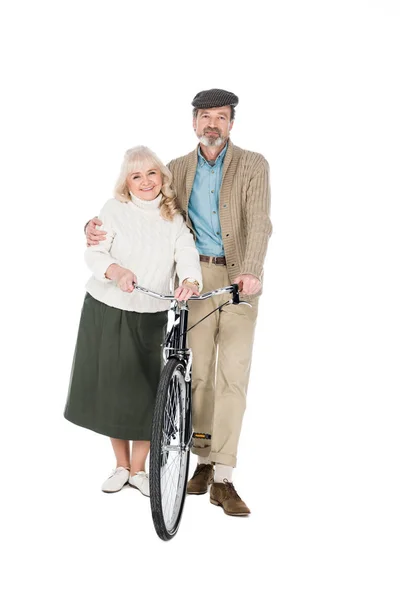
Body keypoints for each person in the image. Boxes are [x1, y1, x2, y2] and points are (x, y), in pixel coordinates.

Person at [85, 89, 272, 515]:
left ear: (231, 123)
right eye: (205, 117)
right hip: (191, 278)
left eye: (221, 118)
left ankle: (223, 473)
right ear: (193, 122)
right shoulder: (176, 168)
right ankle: (202, 460)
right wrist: (94, 226)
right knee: (197, 373)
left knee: (233, 375)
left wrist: (252, 270)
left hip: (240, 276)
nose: (212, 125)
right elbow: (140, 205)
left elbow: (260, 221)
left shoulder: (253, 164)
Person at [65, 145, 202, 496]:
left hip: (153, 312)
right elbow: (95, 252)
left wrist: (189, 280)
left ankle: (139, 470)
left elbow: (185, 253)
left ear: (162, 177)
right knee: (115, 388)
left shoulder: (174, 218)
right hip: (109, 308)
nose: (145, 182)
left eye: (151, 173)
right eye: (136, 175)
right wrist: (116, 270)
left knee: (146, 393)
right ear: (126, 182)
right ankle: (121, 465)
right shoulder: (114, 210)